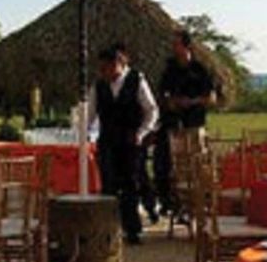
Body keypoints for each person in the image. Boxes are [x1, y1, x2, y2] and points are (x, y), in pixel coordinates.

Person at [89, 44, 158, 245]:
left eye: (106, 68)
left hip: (130, 141)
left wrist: (141, 132)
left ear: (118, 64)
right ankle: (109, 230)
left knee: (130, 184)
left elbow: (151, 110)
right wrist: (85, 135)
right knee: (108, 185)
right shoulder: (99, 85)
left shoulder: (137, 80)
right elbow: (90, 113)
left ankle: (132, 229)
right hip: (108, 140)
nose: (103, 73)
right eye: (101, 68)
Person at [154, 30, 216, 214]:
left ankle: (200, 201)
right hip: (174, 124)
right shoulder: (170, 69)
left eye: (177, 44)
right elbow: (162, 94)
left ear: (186, 46)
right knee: (174, 166)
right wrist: (171, 102)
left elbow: (211, 97)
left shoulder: (199, 69)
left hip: (194, 123)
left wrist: (193, 101)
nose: (174, 48)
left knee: (197, 164)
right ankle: (176, 203)